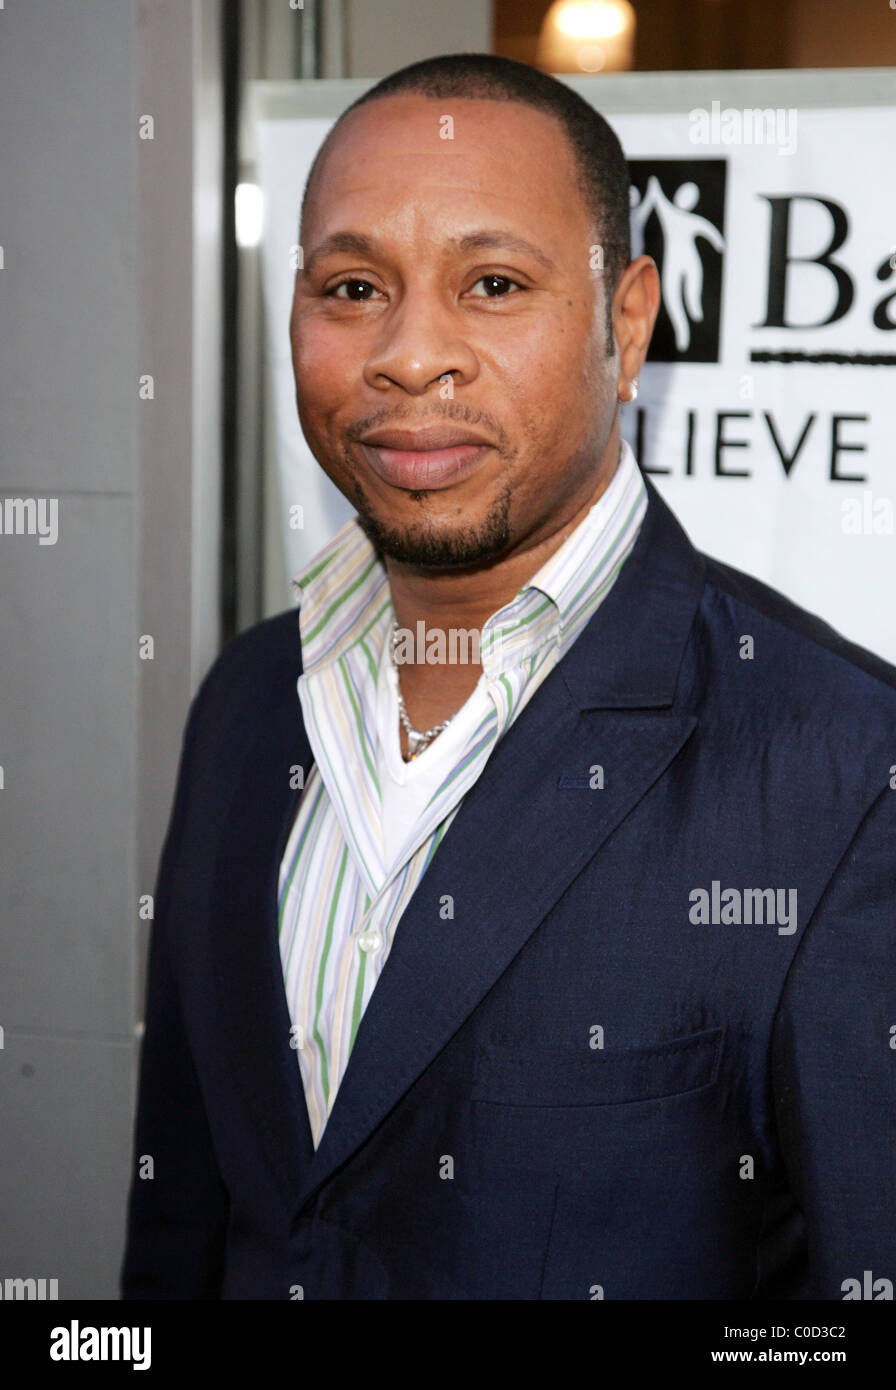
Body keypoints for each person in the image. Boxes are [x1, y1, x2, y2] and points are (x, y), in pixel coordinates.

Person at [120, 53, 896, 1300]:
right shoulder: (248, 699)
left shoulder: (844, 771)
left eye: (492, 284)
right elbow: (184, 1230)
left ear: (625, 321)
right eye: (354, 286)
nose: (409, 353)